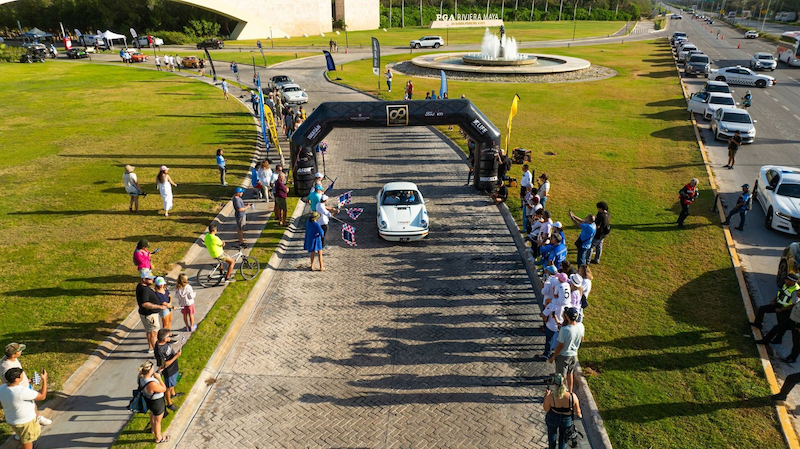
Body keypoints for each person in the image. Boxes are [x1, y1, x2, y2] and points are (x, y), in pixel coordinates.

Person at [1, 343, 51, 426]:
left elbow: (15, 378)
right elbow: (42, 396)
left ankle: (36, 418)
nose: (21, 351)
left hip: (22, 385)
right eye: (19, 350)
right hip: (20, 390)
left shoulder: (10, 359)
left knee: (31, 403)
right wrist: (44, 379)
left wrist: (27, 380)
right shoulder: (7, 368)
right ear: (13, 354)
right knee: (28, 404)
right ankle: (36, 419)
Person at [0, 367, 47, 448]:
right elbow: (42, 396)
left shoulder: (2, 388)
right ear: (16, 379)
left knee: (23, 437)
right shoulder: (21, 391)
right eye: (21, 375)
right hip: (26, 422)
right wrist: (44, 380)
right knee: (27, 440)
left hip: (12, 420)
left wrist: (29, 380)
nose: (23, 376)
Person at [549, 307, 585, 393]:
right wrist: (556, 319)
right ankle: (570, 392)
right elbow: (582, 339)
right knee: (570, 374)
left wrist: (553, 357)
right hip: (574, 355)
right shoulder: (580, 326)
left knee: (560, 377)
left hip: (563, 356)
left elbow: (560, 346)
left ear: (566, 316)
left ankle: (560, 394)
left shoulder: (565, 330)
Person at [543, 373, 582, 449]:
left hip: (553, 417)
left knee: (552, 435)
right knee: (564, 437)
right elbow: (578, 412)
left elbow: (546, 408)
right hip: (566, 419)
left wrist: (546, 396)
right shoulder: (572, 396)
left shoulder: (551, 396)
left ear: (554, 384)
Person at [137, 361, 169, 443]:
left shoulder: (140, 377)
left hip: (150, 400)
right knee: (158, 421)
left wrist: (158, 372)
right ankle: (159, 438)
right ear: (149, 371)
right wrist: (159, 378)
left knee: (152, 414)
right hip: (157, 402)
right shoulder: (152, 384)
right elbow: (163, 388)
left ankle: (153, 429)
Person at [137, 272, 168, 353]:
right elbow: (145, 304)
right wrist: (160, 307)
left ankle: (151, 348)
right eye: (150, 279)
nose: (152, 280)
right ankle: (157, 352)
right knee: (154, 333)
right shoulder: (145, 290)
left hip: (145, 314)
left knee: (149, 331)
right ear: (144, 279)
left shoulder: (140, 286)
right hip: (150, 315)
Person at [154, 329, 181, 412]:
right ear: (164, 339)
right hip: (169, 371)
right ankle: (169, 403)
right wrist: (176, 356)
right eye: (168, 336)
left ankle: (173, 394)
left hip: (174, 367)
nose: (170, 337)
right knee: (168, 388)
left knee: (173, 383)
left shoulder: (165, 343)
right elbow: (163, 365)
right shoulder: (159, 350)